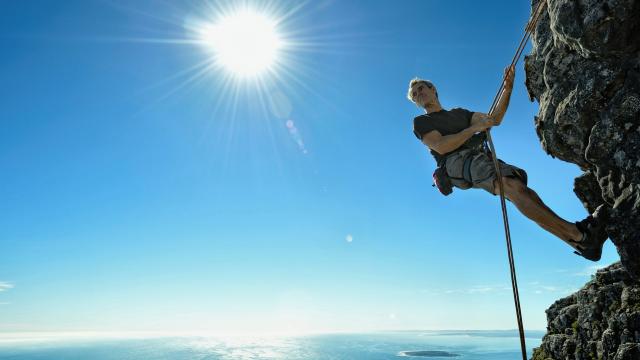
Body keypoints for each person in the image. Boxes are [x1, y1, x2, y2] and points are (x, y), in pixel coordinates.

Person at [407, 66, 608, 261]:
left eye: (421, 88)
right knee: (511, 185)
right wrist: (472, 129)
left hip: (478, 158)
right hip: (457, 162)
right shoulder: (421, 122)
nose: (418, 94)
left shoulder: (460, 113)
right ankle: (580, 235)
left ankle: (581, 245)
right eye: (415, 94)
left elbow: (494, 119)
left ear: (433, 89)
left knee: (523, 193)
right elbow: (442, 146)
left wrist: (507, 89)